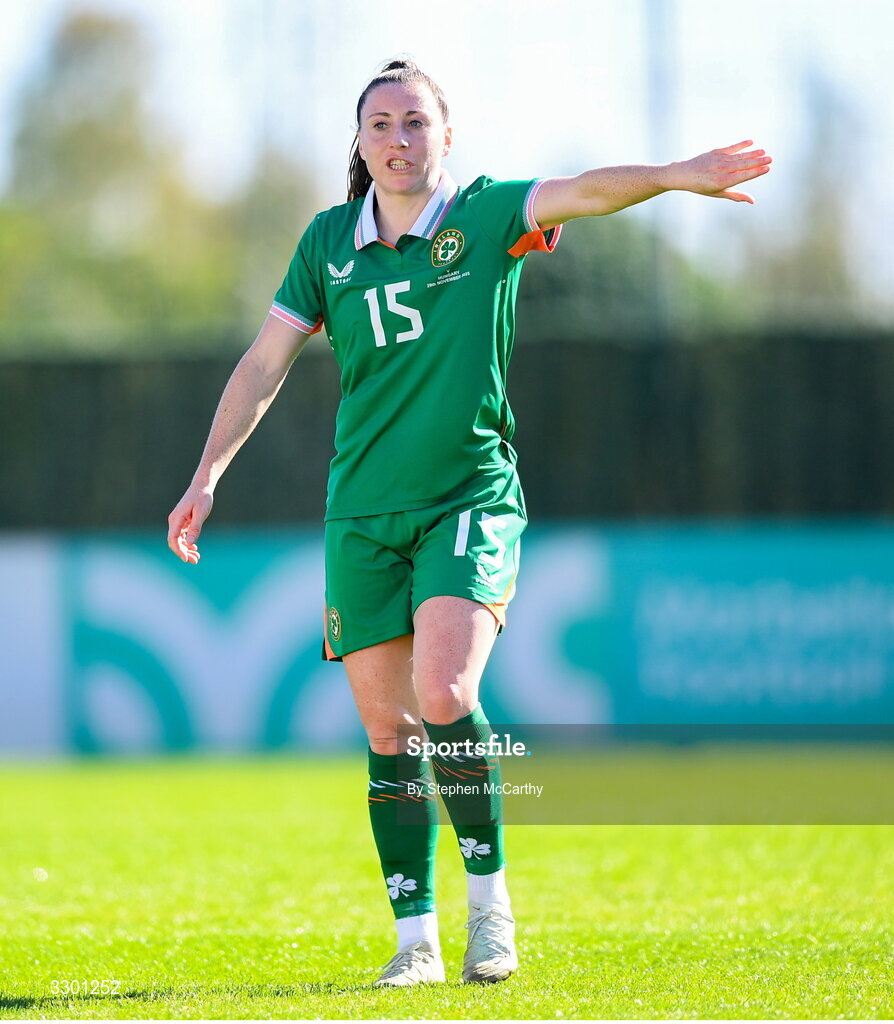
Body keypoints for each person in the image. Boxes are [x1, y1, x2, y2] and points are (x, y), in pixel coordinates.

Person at [167, 58, 771, 987]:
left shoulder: (485, 214)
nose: (399, 139)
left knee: (445, 694)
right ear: (359, 142)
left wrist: (672, 176)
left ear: (446, 135)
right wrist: (207, 473)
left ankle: (491, 912)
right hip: (361, 512)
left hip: (467, 499)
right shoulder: (328, 242)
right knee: (389, 733)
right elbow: (262, 364)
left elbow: (584, 192)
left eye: (415, 122)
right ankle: (414, 942)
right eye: (380, 125)